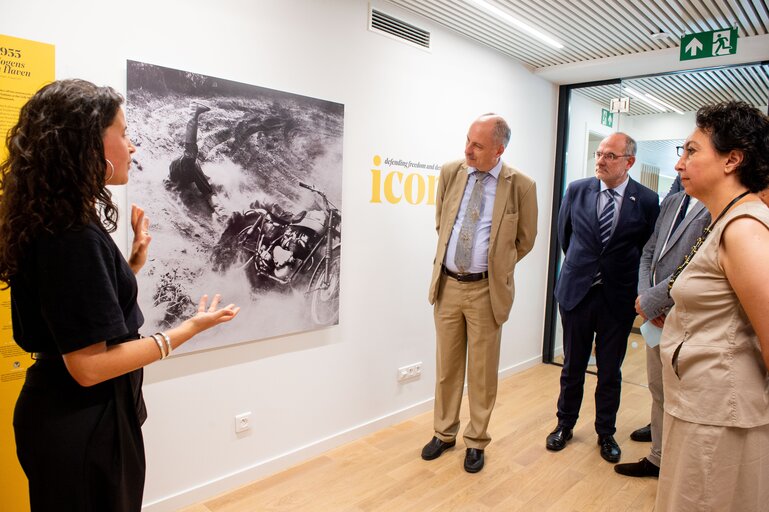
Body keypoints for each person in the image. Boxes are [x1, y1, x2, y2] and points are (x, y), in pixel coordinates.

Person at [0, 79, 240, 512]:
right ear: (90, 143)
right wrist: (185, 332)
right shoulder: (71, 232)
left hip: (76, 417)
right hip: (82, 423)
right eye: (124, 134)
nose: (133, 147)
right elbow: (89, 367)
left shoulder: (61, 217)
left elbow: (75, 309)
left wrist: (129, 267)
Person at [655, 101, 769, 511]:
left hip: (720, 416)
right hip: (700, 406)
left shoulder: (744, 231)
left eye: (691, 150)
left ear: (732, 160)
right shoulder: (722, 220)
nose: (680, 163)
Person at [422, 114, 538, 473]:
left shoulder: (521, 185)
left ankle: (476, 440)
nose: (468, 150)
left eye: (478, 145)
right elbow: (443, 222)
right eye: (468, 141)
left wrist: (496, 266)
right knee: (447, 367)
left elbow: (526, 240)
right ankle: (444, 433)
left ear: (499, 149)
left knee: (483, 371)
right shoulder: (451, 172)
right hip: (448, 285)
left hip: (487, 290)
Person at [547, 132, 659, 463]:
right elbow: (564, 235)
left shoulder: (648, 200)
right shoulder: (578, 189)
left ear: (629, 162)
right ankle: (564, 425)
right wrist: (585, 268)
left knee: (610, 370)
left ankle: (605, 432)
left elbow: (647, 250)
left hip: (617, 298)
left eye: (610, 155)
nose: (601, 160)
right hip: (577, 292)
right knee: (572, 366)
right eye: (599, 153)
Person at [614, 175, 710, 478]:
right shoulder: (671, 201)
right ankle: (658, 457)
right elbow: (648, 253)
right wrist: (646, 297)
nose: (680, 163)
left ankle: (678, 465)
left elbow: (698, 266)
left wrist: (657, 301)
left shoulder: (719, 208)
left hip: (685, 317)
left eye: (691, 152)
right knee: (658, 389)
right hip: (655, 317)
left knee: (684, 396)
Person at [168, 101, 220, 214]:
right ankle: (193, 111)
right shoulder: (192, 166)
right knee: (191, 153)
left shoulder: (195, 169)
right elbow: (207, 191)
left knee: (192, 156)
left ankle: (194, 112)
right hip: (178, 168)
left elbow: (205, 187)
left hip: (181, 168)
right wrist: (211, 198)